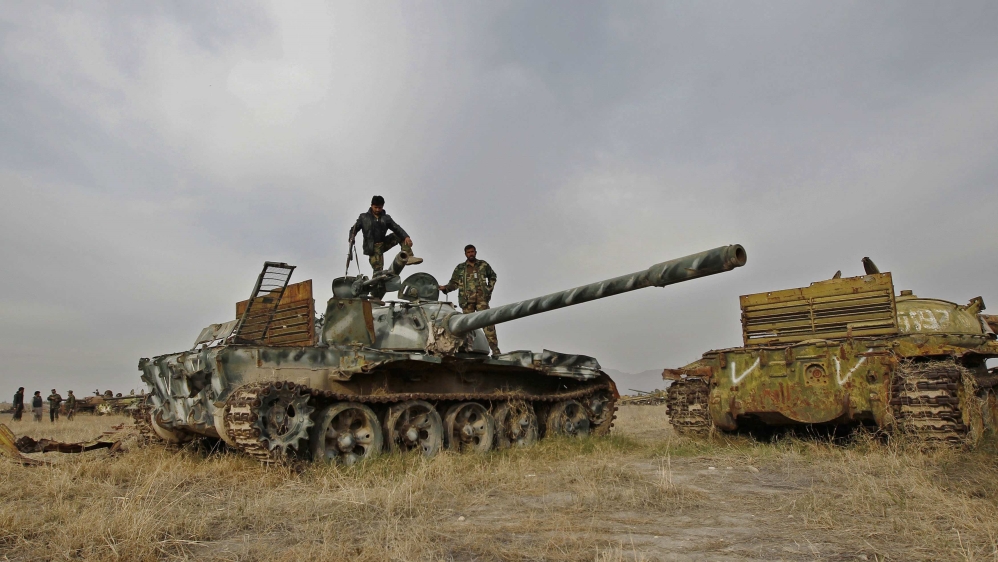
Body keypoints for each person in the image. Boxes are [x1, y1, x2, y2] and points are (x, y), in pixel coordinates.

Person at [439, 244, 501, 355]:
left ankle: (495, 350)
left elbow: (493, 276)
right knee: (467, 327)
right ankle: (467, 350)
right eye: (468, 252)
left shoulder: (483, 265)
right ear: (465, 254)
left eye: (472, 252)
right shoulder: (460, 268)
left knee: (488, 324)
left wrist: (488, 289)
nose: (471, 254)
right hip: (467, 302)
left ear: (475, 252)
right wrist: (445, 288)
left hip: (481, 300)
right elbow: (454, 283)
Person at [348, 195, 422, 273]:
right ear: (371, 206)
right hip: (373, 247)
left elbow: (396, 228)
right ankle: (376, 284)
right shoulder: (364, 217)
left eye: (379, 207)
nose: (377, 209)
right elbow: (354, 229)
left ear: (382, 206)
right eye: (375, 207)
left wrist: (406, 237)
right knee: (378, 271)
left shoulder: (386, 218)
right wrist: (351, 238)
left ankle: (408, 256)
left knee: (399, 235)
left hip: (383, 243)